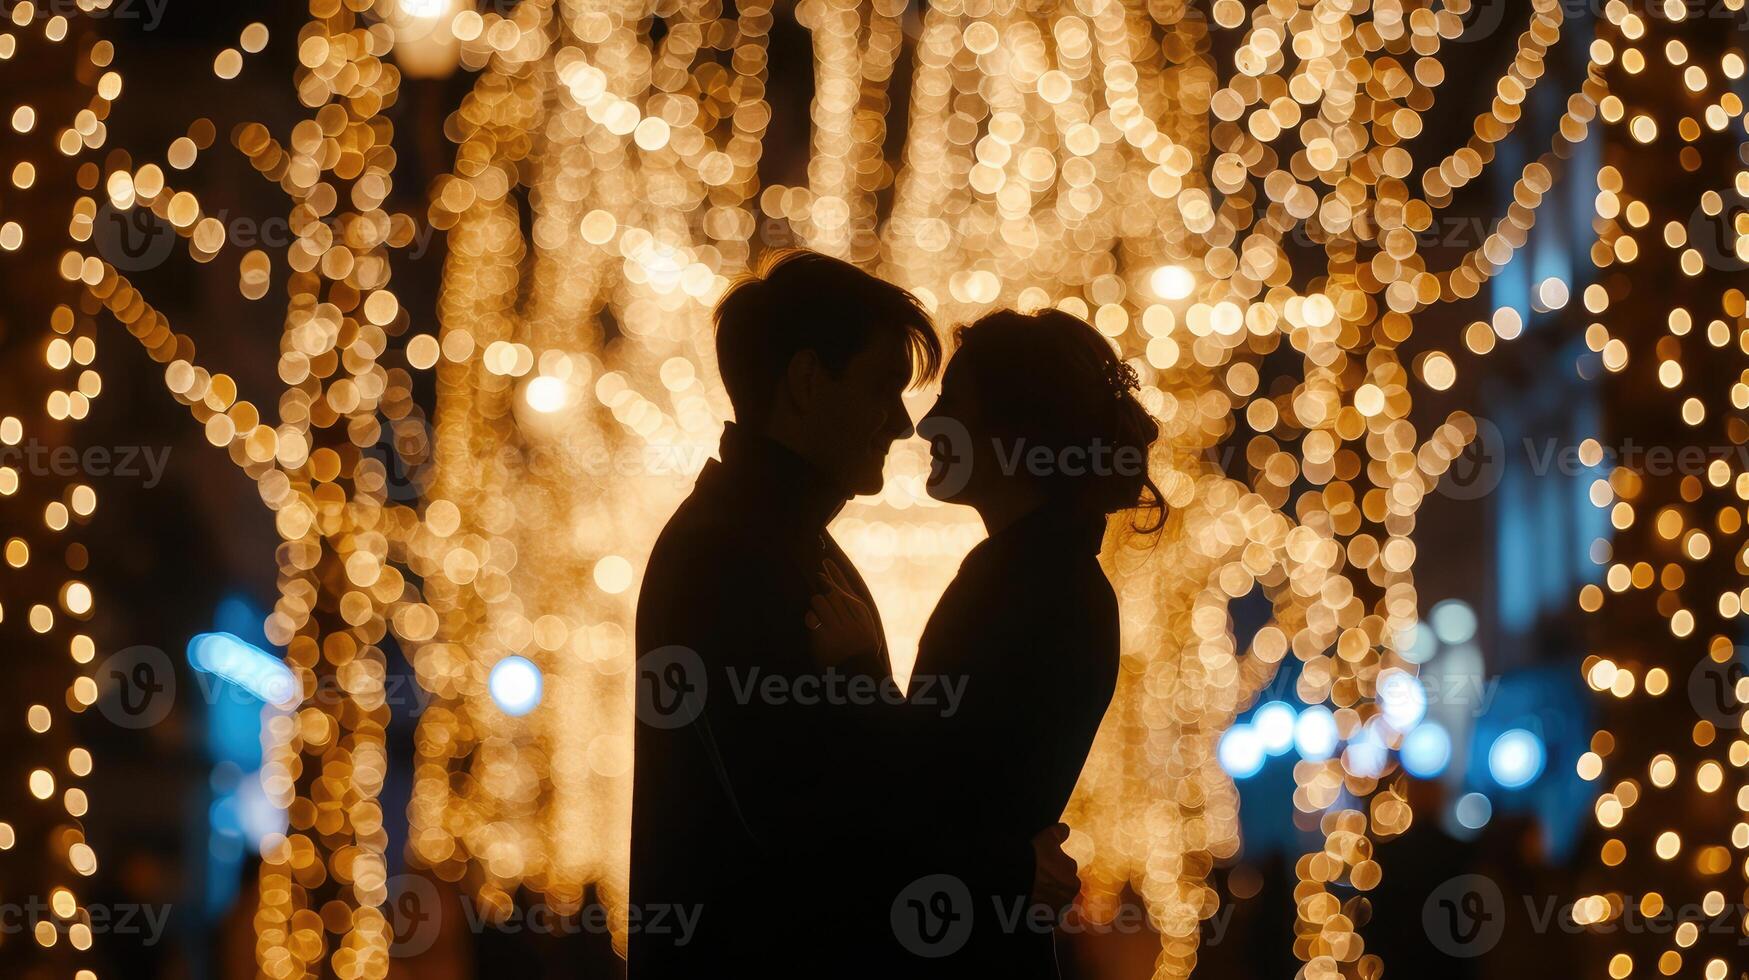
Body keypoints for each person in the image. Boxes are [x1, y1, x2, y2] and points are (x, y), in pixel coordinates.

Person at [630, 251, 1078, 978]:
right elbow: (802, 814)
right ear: (809, 382)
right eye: (881, 388)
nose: (902, 426)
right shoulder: (733, 556)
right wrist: (1003, 869)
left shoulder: (780, 544)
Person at [812, 307, 1163, 976]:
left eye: (950, 404)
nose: (924, 425)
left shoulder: (1029, 586)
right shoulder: (1041, 574)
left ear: (1012, 432)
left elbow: (927, 794)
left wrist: (856, 673)